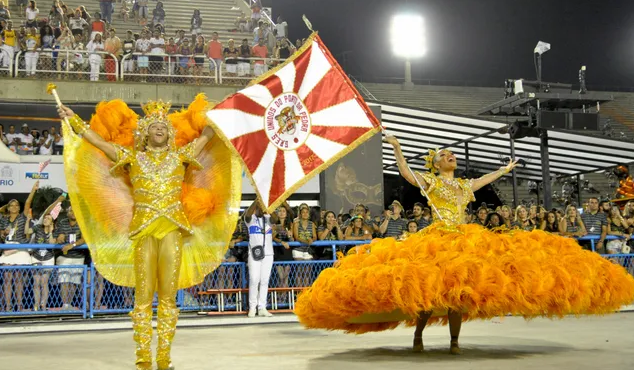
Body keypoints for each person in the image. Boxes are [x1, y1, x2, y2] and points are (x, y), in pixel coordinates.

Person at [295, 135, 634, 355]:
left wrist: (503, 170)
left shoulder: (462, 185)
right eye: (446, 155)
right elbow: (407, 174)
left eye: (453, 155)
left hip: (465, 237)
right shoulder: (429, 182)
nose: (452, 157)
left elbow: (483, 180)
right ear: (436, 163)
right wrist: (397, 148)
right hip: (438, 239)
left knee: (458, 293)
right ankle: (419, 334)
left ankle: (455, 341)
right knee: (427, 289)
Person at [56, 93, 241, 370]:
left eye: (164, 127)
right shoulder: (132, 158)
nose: (159, 128)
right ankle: (143, 357)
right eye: (154, 126)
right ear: (144, 132)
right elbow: (99, 143)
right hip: (143, 232)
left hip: (172, 231)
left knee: (167, 297)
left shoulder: (182, 155)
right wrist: (75, 121)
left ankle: (164, 357)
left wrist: (222, 113)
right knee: (142, 298)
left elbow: (206, 136)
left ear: (170, 133)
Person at [0, 182, 38, 312]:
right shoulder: (4, 219)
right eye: (12, 205)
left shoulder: (22, 217)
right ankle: (8, 306)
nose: (15, 207)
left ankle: (20, 305)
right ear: (8, 208)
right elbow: (0, 232)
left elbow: (28, 203)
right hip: (7, 250)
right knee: (6, 279)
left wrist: (33, 190)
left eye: (17, 205)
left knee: (18, 279)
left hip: (20, 249)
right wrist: (3, 232)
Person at [244, 199, 275, 318]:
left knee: (264, 280)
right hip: (254, 254)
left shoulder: (268, 219)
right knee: (254, 279)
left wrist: (269, 207)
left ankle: (262, 307)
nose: (260, 209)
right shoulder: (250, 220)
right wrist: (257, 200)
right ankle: (252, 307)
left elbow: (275, 219)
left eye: (262, 207)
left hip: (268, 254)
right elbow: (247, 214)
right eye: (258, 207)